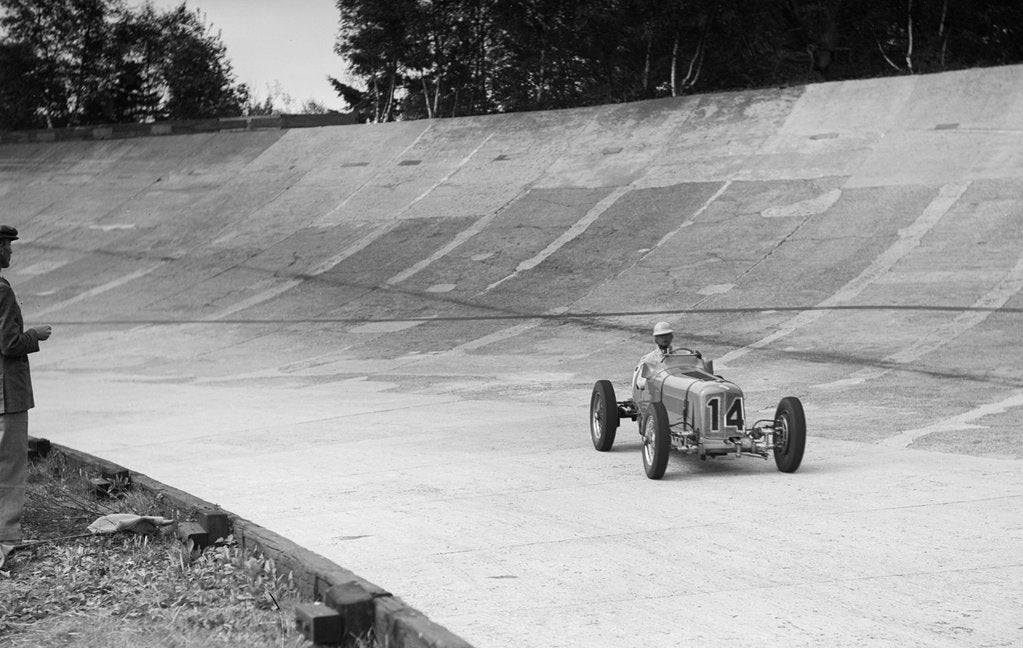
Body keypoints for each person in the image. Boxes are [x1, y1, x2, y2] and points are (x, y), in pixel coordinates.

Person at [0, 226, 51, 543]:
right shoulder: (2, 290)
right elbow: (9, 343)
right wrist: (35, 334)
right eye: (7, 245)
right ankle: (7, 536)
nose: (10, 252)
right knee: (10, 465)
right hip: (9, 394)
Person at [633, 321, 700, 391]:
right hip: (658, 393)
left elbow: (696, 368)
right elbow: (640, 383)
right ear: (655, 339)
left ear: (672, 337)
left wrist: (697, 358)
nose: (665, 338)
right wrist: (659, 381)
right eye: (661, 336)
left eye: (667, 335)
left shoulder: (683, 353)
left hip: (681, 389)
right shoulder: (649, 359)